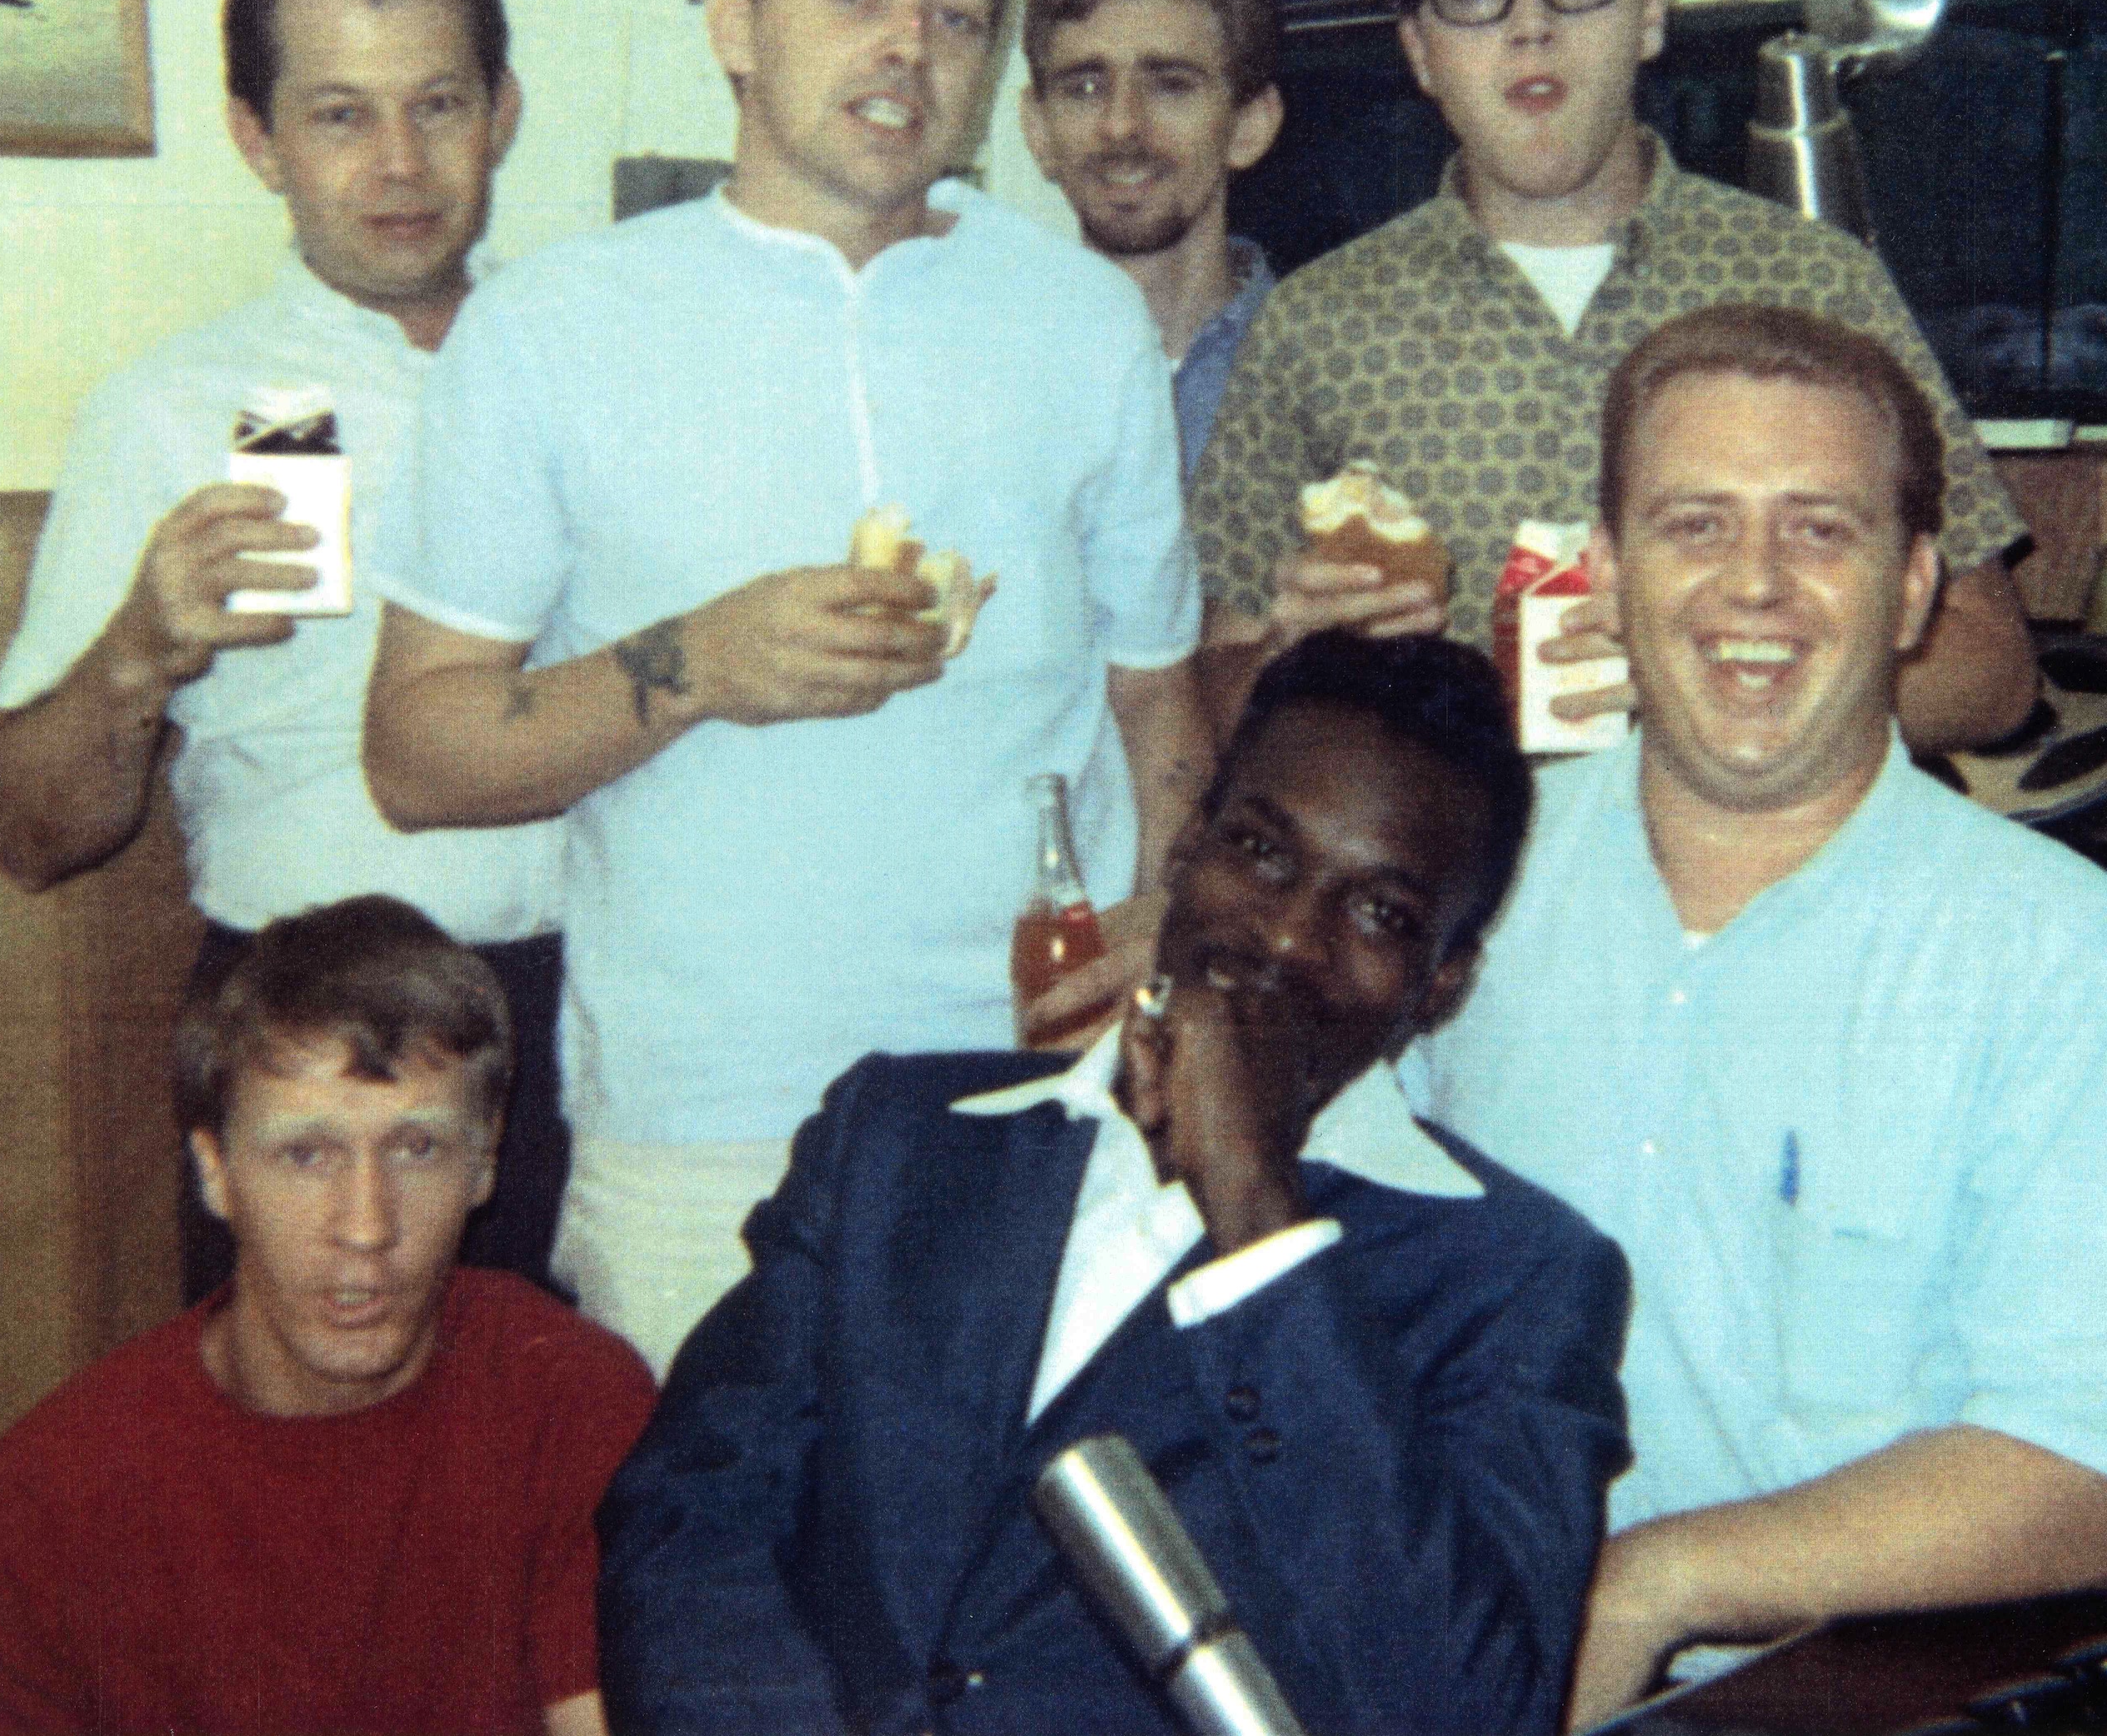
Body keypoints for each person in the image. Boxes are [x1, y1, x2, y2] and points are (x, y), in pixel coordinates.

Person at [363, 0, 1211, 1376]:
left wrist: (1164, 909)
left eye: (956, 12)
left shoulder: (1083, 321)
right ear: (736, 26)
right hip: (703, 1133)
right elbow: (417, 755)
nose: (908, 46)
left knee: (1055, 1530)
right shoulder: (552, 326)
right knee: (721, 1540)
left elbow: (1155, 692)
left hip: (1043, 1095)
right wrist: (696, 664)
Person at [1410, 305, 2107, 1729]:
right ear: (1606, 573)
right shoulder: (1466, 880)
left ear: (1911, 592)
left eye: (1820, 531)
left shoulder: (2064, 966)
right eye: (1695, 525)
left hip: (1830, 1705)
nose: (1754, 586)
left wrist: (1646, 1585)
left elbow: (2076, 1480)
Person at [597, 631, 1630, 1736]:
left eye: (1379, 913)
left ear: (1442, 986)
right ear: (1185, 851)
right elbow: (690, 1520)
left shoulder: (1516, 1279)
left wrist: (1258, 1213)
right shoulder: (898, 1138)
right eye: (1259, 851)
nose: (1288, 937)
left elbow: (1460, 1709)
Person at [0, 0, 568, 1303]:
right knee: (313, 1434)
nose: (400, 162)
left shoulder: (588, 364)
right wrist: (138, 652)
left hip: (601, 1015)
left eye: (437, 104)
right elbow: (30, 835)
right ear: (257, 138)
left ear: (501, 112)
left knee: (595, 1423)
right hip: (303, 1034)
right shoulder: (176, 409)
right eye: (340, 114)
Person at [1190, 0, 2039, 754]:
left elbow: (1993, 670)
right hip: (1447, 849)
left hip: (1740, 845)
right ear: (1422, 51)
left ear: (1651, 11)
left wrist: (1726, 692)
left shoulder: (1814, 287)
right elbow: (1215, 688)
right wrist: (1291, 664)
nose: (1531, 26)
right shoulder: (1316, 325)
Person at [0, 895, 657, 1736]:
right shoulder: (50, 1496)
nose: (365, 1225)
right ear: (215, 1170)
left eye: (417, 1148)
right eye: (305, 1154)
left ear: (485, 1159)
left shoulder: (570, 1399)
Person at [1021, 0, 1285, 478]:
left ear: (1249, 125)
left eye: (1170, 86)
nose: (1121, 125)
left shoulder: (1321, 365)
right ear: (1038, 130)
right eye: (1085, 87)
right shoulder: (989, 374)